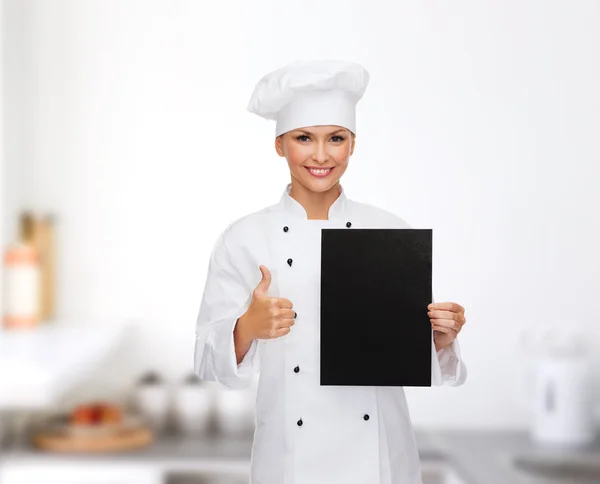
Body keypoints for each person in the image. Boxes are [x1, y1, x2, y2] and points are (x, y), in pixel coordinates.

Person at [194, 60, 468, 484]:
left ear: (352, 145)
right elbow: (207, 363)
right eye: (304, 138)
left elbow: (413, 361)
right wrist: (245, 327)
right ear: (280, 144)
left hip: (379, 460)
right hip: (288, 464)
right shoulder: (244, 238)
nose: (321, 155)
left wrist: (439, 339)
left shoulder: (391, 231)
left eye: (335, 138)